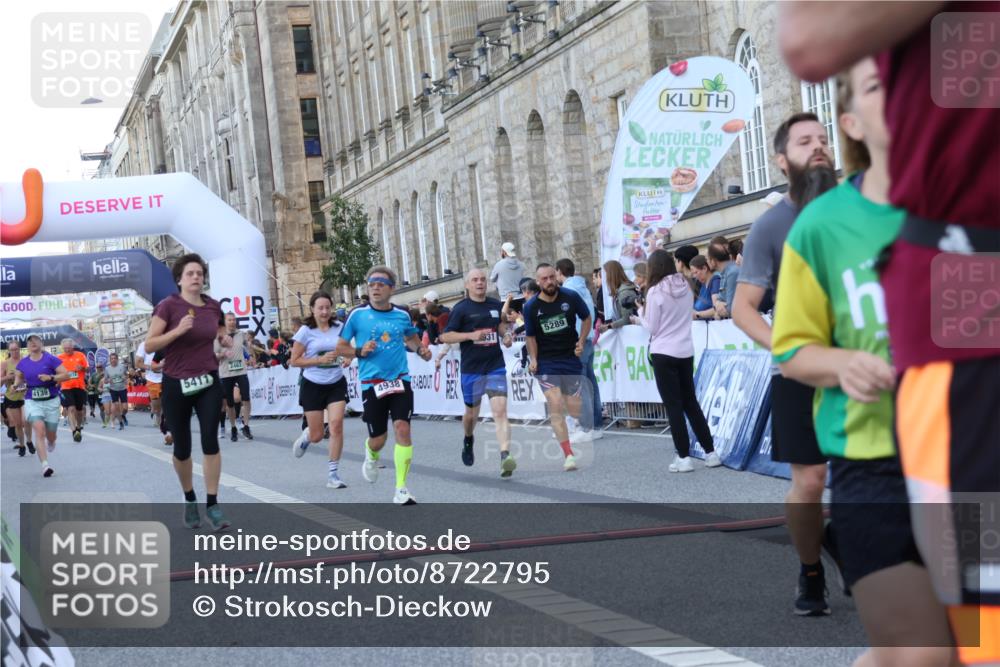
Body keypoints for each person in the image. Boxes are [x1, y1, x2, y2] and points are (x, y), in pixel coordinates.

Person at [782, 5, 1000, 663]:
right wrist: (842, 363)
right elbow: (791, 349)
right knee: (925, 652)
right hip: (874, 460)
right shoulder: (821, 225)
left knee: (975, 642)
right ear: (852, 120)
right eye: (880, 83)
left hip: (961, 435)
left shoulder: (963, 201)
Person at [732, 111, 839, 618]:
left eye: (823, 139)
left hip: (862, 366)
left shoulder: (859, 210)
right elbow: (742, 309)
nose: (818, 146)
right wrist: (788, 348)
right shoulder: (772, 225)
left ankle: (848, 539)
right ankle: (811, 568)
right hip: (799, 374)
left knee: (878, 477)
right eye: (804, 141)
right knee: (811, 481)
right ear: (781, 160)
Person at [145, 253, 232, 532]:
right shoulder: (168, 306)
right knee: (182, 448)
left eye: (199, 273)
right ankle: (190, 496)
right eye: (190, 273)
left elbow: (218, 327)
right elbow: (149, 345)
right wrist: (177, 331)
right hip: (176, 383)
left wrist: (223, 337)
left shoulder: (213, 306)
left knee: (210, 441)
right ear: (179, 279)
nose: (196, 277)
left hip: (207, 380)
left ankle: (213, 504)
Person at [335, 266, 432, 505]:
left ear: (391, 289)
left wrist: (421, 350)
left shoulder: (402, 314)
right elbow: (340, 347)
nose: (375, 288)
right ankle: (371, 453)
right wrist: (359, 350)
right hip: (372, 383)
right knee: (379, 438)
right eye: (372, 284)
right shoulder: (357, 315)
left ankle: (401, 488)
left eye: (381, 284)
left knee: (402, 428)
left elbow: (411, 338)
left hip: (400, 380)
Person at [637, 250, 721, 472]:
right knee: (691, 403)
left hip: (663, 351)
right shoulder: (685, 285)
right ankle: (710, 452)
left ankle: (683, 456)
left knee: (674, 406)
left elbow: (652, 327)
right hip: (685, 349)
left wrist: (640, 312)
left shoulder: (655, 291)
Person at [440, 268, 517, 477]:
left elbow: (500, 326)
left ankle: (505, 456)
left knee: (500, 411)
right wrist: (470, 335)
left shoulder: (495, 305)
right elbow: (446, 337)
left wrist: (506, 336)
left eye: (482, 279)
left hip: (495, 366)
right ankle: (468, 438)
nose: (480, 282)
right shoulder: (460, 309)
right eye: (475, 280)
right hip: (471, 370)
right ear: (467, 285)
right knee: (471, 416)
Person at [523, 264, 592, 469]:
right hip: (546, 362)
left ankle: (572, 421)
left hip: (569, 358)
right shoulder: (531, 306)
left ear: (556, 277)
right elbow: (530, 336)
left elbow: (587, 318)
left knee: (574, 408)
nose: (549, 282)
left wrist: (581, 341)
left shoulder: (570, 296)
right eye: (544, 279)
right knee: (555, 403)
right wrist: (533, 359)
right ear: (538, 282)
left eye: (552, 277)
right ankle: (568, 454)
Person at [290, 291, 352, 489]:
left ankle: (333, 474)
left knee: (336, 425)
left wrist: (348, 357)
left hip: (336, 383)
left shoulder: (340, 327)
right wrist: (318, 360)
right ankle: (307, 436)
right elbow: (294, 361)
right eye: (320, 308)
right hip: (312, 385)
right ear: (312, 309)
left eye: (327, 307)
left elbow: (348, 349)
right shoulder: (305, 331)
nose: (324, 312)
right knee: (317, 435)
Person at [555, 258, 603, 440]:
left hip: (577, 340)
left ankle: (586, 427)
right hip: (588, 338)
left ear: (559, 272)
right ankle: (596, 426)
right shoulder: (583, 287)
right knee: (591, 384)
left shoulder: (567, 290)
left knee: (580, 385)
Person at [14, 334, 71, 477]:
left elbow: (66, 375)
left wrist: (51, 377)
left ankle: (51, 441)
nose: (33, 343)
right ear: (27, 346)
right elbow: (18, 378)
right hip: (32, 401)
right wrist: (15, 386)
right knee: (39, 430)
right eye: (30, 341)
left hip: (51, 401)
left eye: (36, 340)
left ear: (41, 343)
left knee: (51, 435)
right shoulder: (23, 363)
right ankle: (45, 465)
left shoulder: (51, 359)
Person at [215, 312, 254, 442]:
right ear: (225, 321)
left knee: (246, 398)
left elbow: (248, 347)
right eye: (229, 320)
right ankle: (233, 427)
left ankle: (246, 426)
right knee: (230, 403)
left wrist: (251, 356)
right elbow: (214, 356)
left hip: (241, 371)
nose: (232, 322)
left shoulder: (241, 334)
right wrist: (223, 354)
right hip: (226, 373)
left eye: (233, 320)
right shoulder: (219, 336)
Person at [56, 338, 88, 442]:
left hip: (79, 386)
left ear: (73, 347)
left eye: (69, 348)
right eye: (65, 348)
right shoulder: (59, 358)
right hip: (66, 387)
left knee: (79, 411)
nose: (67, 350)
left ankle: (78, 427)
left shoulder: (80, 355)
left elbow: (88, 369)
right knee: (71, 409)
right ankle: (74, 431)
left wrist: (82, 368)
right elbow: (56, 372)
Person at [2, 340, 30, 456]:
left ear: (20, 349)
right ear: (9, 350)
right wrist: (7, 377)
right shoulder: (5, 364)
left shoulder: (27, 360)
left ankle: (29, 441)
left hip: (26, 396)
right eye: (12, 350)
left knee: (25, 420)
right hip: (12, 397)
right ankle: (22, 445)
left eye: (16, 349)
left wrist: (24, 377)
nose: (14, 352)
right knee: (18, 424)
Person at [598, 260, 640, 333]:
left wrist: (608, 326)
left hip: (632, 334)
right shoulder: (620, 290)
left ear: (611, 275)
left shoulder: (625, 292)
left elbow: (627, 319)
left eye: (605, 275)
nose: (605, 279)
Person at [709, 243, 739, 320]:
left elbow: (731, 308)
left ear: (713, 261)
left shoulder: (732, 273)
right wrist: (718, 306)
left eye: (708, 259)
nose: (707, 262)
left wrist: (718, 311)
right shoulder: (724, 273)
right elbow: (718, 301)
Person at [102, 352, 129, 430]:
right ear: (110, 360)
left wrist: (125, 377)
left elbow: (127, 375)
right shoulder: (107, 369)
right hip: (113, 389)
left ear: (117, 359)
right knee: (116, 406)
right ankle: (121, 423)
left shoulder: (122, 366)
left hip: (122, 389)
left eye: (114, 358)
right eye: (112, 359)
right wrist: (108, 380)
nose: (113, 360)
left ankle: (123, 415)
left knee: (125, 408)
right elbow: (105, 380)